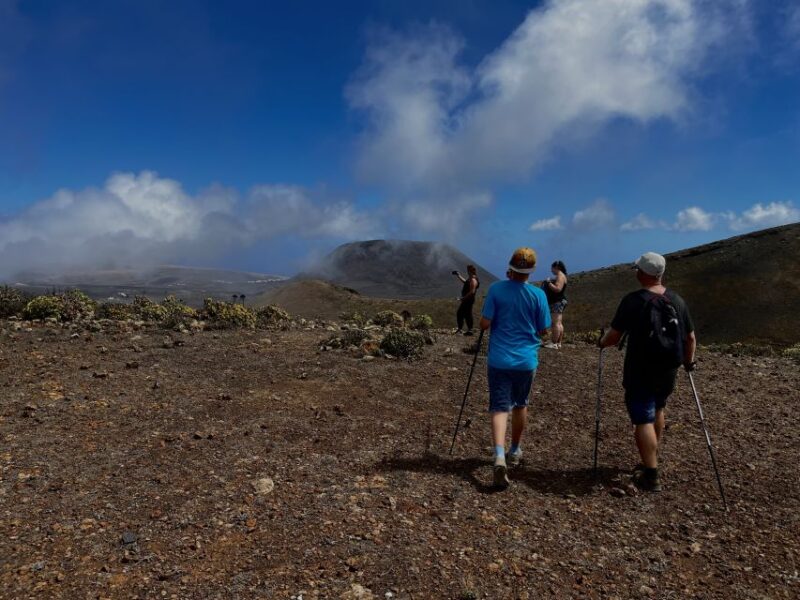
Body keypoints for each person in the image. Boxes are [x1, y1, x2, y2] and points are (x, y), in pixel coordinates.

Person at [598, 252, 696, 492]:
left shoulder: (633, 300)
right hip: (668, 367)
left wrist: (601, 342)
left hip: (640, 366)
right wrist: (688, 362)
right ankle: (650, 455)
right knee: (659, 407)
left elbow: (614, 337)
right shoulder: (677, 300)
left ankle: (651, 474)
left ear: (642, 273)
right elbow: (690, 337)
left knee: (642, 416)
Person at [479, 248, 551, 489]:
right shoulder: (538, 295)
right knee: (521, 404)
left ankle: (499, 455)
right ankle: (515, 450)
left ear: (511, 266)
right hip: (526, 361)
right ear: (532, 270)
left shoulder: (496, 289)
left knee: (499, 408)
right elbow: (544, 330)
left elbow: (484, 323)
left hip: (499, 359)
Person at [543, 260, 568, 349]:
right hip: (560, 301)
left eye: (552, 268)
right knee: (559, 323)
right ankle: (558, 343)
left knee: (555, 323)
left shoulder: (560, 276)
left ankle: (553, 343)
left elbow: (558, 289)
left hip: (557, 302)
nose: (551, 270)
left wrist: (548, 282)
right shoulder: (562, 275)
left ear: (556, 267)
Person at [453, 265, 480, 335]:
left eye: (468, 270)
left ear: (470, 271)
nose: (467, 271)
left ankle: (464, 329)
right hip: (467, 299)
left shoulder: (473, 279)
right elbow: (466, 282)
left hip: (468, 300)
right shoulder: (471, 278)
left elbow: (472, 291)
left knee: (461, 313)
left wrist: (463, 298)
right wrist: (458, 275)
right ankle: (468, 329)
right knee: (466, 313)